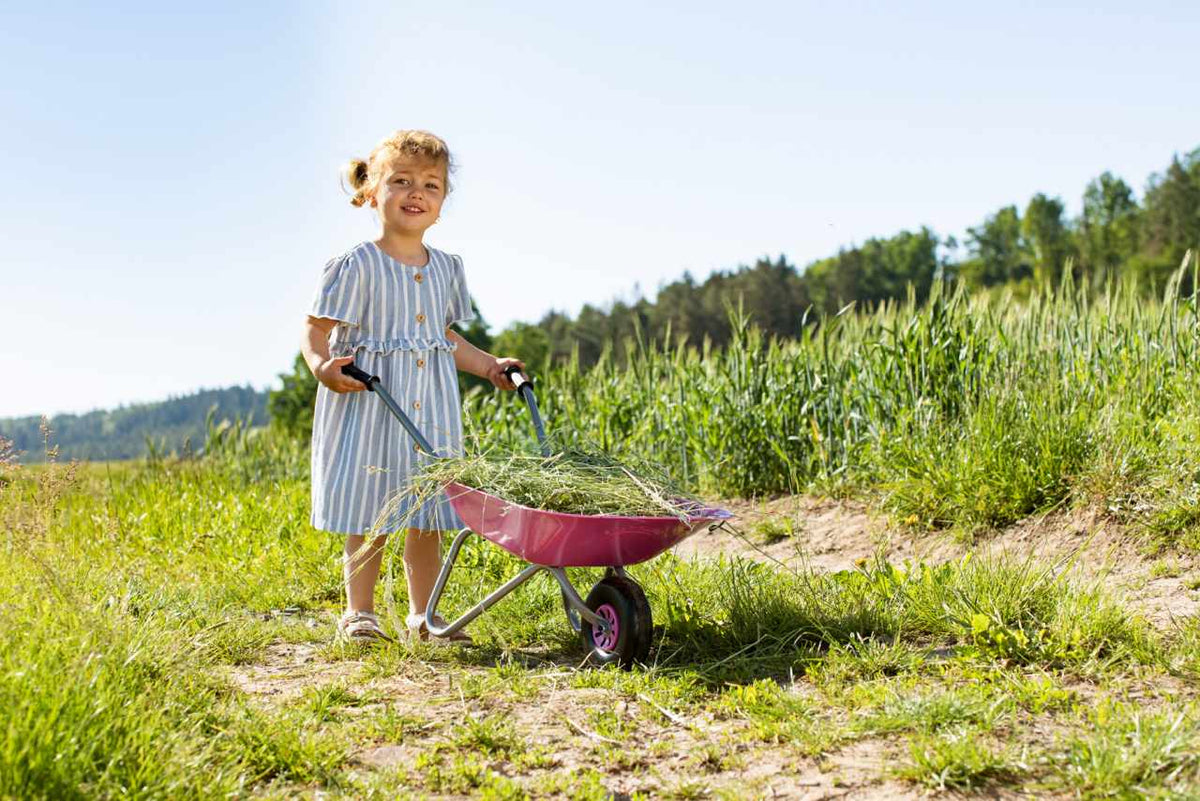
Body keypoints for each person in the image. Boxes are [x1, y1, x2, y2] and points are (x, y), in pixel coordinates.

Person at [301, 130, 524, 644]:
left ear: (442, 203)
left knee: (429, 512)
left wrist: (490, 365)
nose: (415, 192)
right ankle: (360, 613)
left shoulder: (447, 268)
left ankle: (425, 615)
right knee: (370, 506)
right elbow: (315, 328)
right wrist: (321, 366)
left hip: (432, 411)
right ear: (370, 193)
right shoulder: (356, 265)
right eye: (400, 180)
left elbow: (443, 338)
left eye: (430, 184)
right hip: (371, 402)